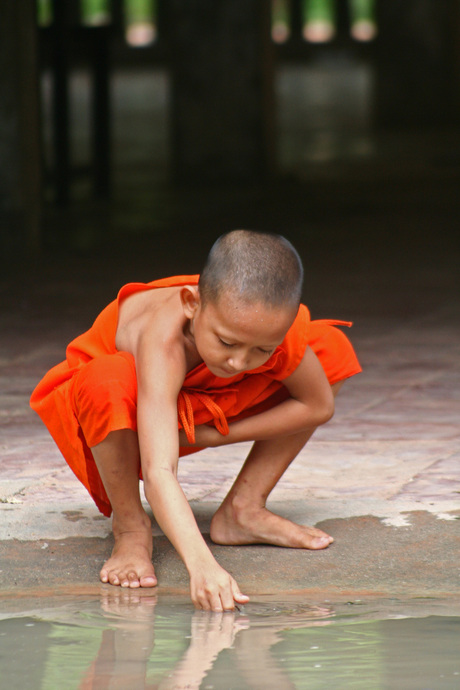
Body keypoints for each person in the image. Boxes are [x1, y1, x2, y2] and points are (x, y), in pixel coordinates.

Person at [30, 230, 361, 611]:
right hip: (129, 419)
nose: (239, 362)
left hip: (196, 416)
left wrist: (219, 435)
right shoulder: (164, 337)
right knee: (105, 381)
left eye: (263, 349)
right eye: (227, 342)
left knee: (329, 349)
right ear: (192, 303)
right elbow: (159, 470)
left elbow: (318, 405)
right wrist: (202, 566)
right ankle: (131, 527)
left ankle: (244, 509)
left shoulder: (265, 330)